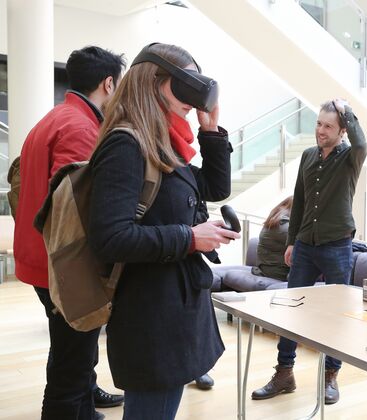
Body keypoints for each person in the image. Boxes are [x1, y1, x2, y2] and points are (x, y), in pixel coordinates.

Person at [87, 43, 239, 419]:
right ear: (152, 82)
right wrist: (190, 237)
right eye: (186, 87)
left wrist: (210, 132)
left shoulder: (165, 143)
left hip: (173, 308)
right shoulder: (127, 143)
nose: (194, 99)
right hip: (150, 314)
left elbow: (214, 189)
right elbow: (109, 238)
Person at [13, 46, 126, 419]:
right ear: (109, 84)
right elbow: (75, 209)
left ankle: (85, 405)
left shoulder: (55, 117)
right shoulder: (80, 128)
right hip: (62, 264)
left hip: (38, 257)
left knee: (72, 346)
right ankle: (68, 408)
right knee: (70, 360)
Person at [252, 99, 367, 405]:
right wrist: (291, 241)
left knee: (335, 315)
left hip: (337, 246)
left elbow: (362, 142)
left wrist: (348, 112)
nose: (321, 131)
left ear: (342, 130)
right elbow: (299, 201)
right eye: (318, 124)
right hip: (304, 245)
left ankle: (331, 375)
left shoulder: (350, 157)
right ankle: (284, 373)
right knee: (291, 309)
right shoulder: (306, 156)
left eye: (329, 126)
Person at [252, 196, 294, 281]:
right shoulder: (282, 224)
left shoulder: (275, 221)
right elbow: (305, 241)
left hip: (267, 269)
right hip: (276, 273)